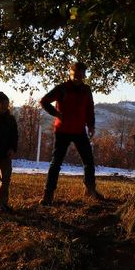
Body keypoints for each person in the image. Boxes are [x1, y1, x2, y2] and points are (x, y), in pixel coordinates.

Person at [39, 61, 104, 205]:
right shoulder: (62, 88)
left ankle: (90, 190)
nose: (78, 78)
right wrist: (56, 113)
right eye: (76, 75)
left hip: (79, 131)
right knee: (56, 163)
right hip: (62, 131)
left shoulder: (86, 90)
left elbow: (89, 109)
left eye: (81, 75)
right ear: (70, 73)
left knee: (89, 161)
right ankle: (48, 195)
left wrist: (91, 126)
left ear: (84, 75)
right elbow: (43, 101)